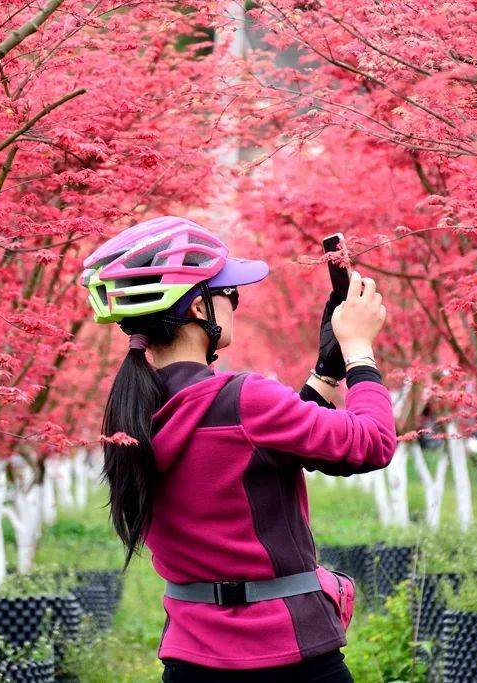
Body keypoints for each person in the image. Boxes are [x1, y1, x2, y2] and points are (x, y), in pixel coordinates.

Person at [79, 216, 397, 682]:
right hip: (289, 655)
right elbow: (372, 443)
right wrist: (359, 351)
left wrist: (326, 371)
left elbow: (255, 448)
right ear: (196, 309)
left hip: (191, 659)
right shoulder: (245, 400)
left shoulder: (132, 411)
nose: (235, 303)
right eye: (228, 293)